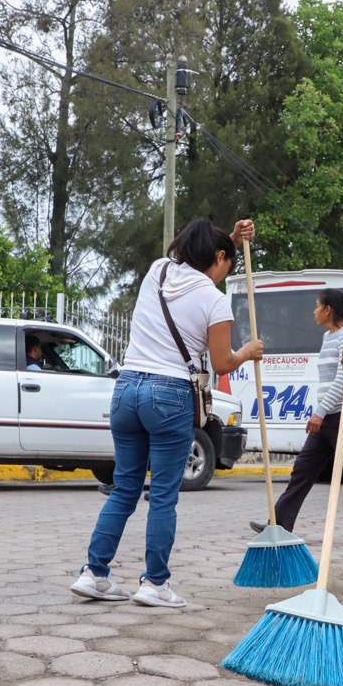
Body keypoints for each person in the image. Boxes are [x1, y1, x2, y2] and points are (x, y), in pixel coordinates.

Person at [70, 219, 263, 609]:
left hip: (126, 389)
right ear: (220, 256)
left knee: (124, 489)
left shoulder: (157, 271)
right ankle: (154, 584)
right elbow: (223, 363)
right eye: (228, 262)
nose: (228, 272)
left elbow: (203, 246)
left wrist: (232, 235)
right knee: (162, 496)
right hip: (169, 394)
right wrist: (249, 352)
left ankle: (95, 575)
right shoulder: (214, 300)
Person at [249, 289, 343, 545]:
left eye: (316, 306)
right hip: (327, 418)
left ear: (327, 310)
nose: (313, 311)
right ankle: (279, 522)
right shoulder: (328, 336)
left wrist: (319, 412)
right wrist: (321, 413)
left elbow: (342, 379)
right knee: (303, 470)